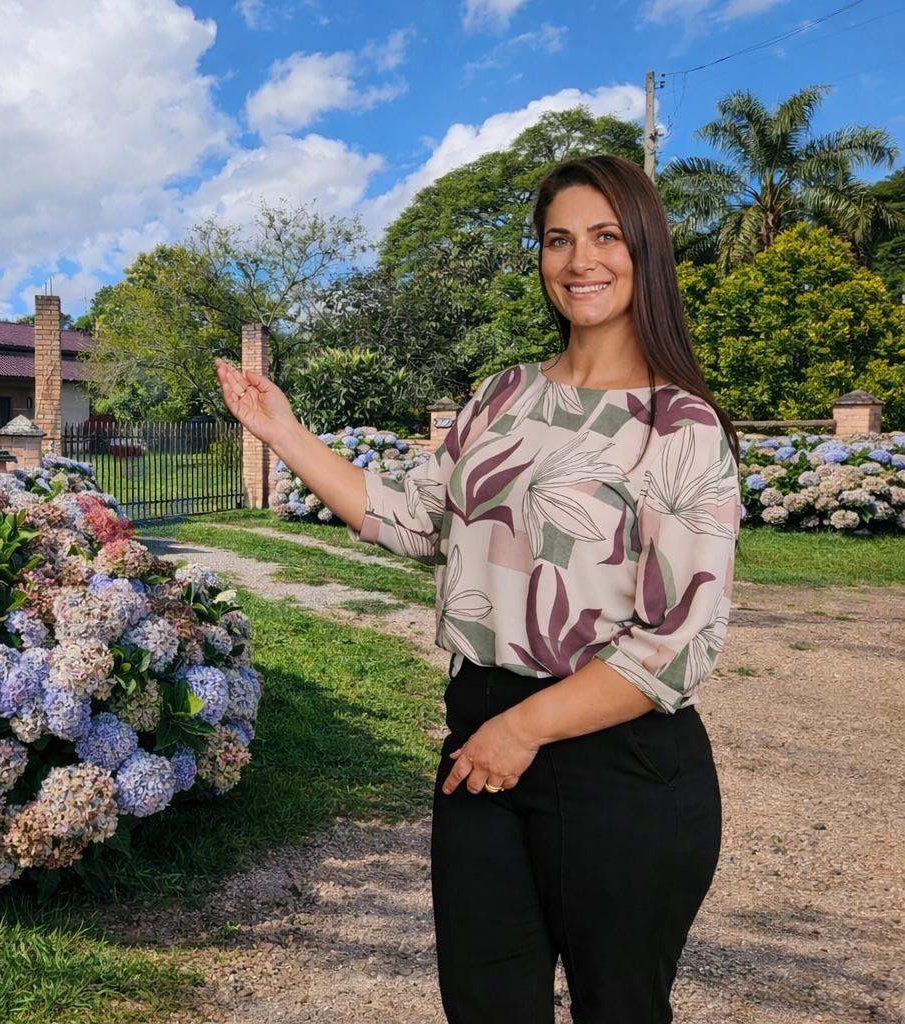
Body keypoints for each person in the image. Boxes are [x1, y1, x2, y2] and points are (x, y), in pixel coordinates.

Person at [213, 154, 740, 1024]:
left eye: (606, 237)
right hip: (481, 733)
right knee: (487, 1003)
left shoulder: (680, 426)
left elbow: (677, 646)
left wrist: (523, 729)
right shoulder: (501, 396)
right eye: (558, 240)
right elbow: (416, 516)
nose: (581, 261)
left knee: (622, 1008)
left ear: (645, 249)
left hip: (619, 760)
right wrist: (283, 432)